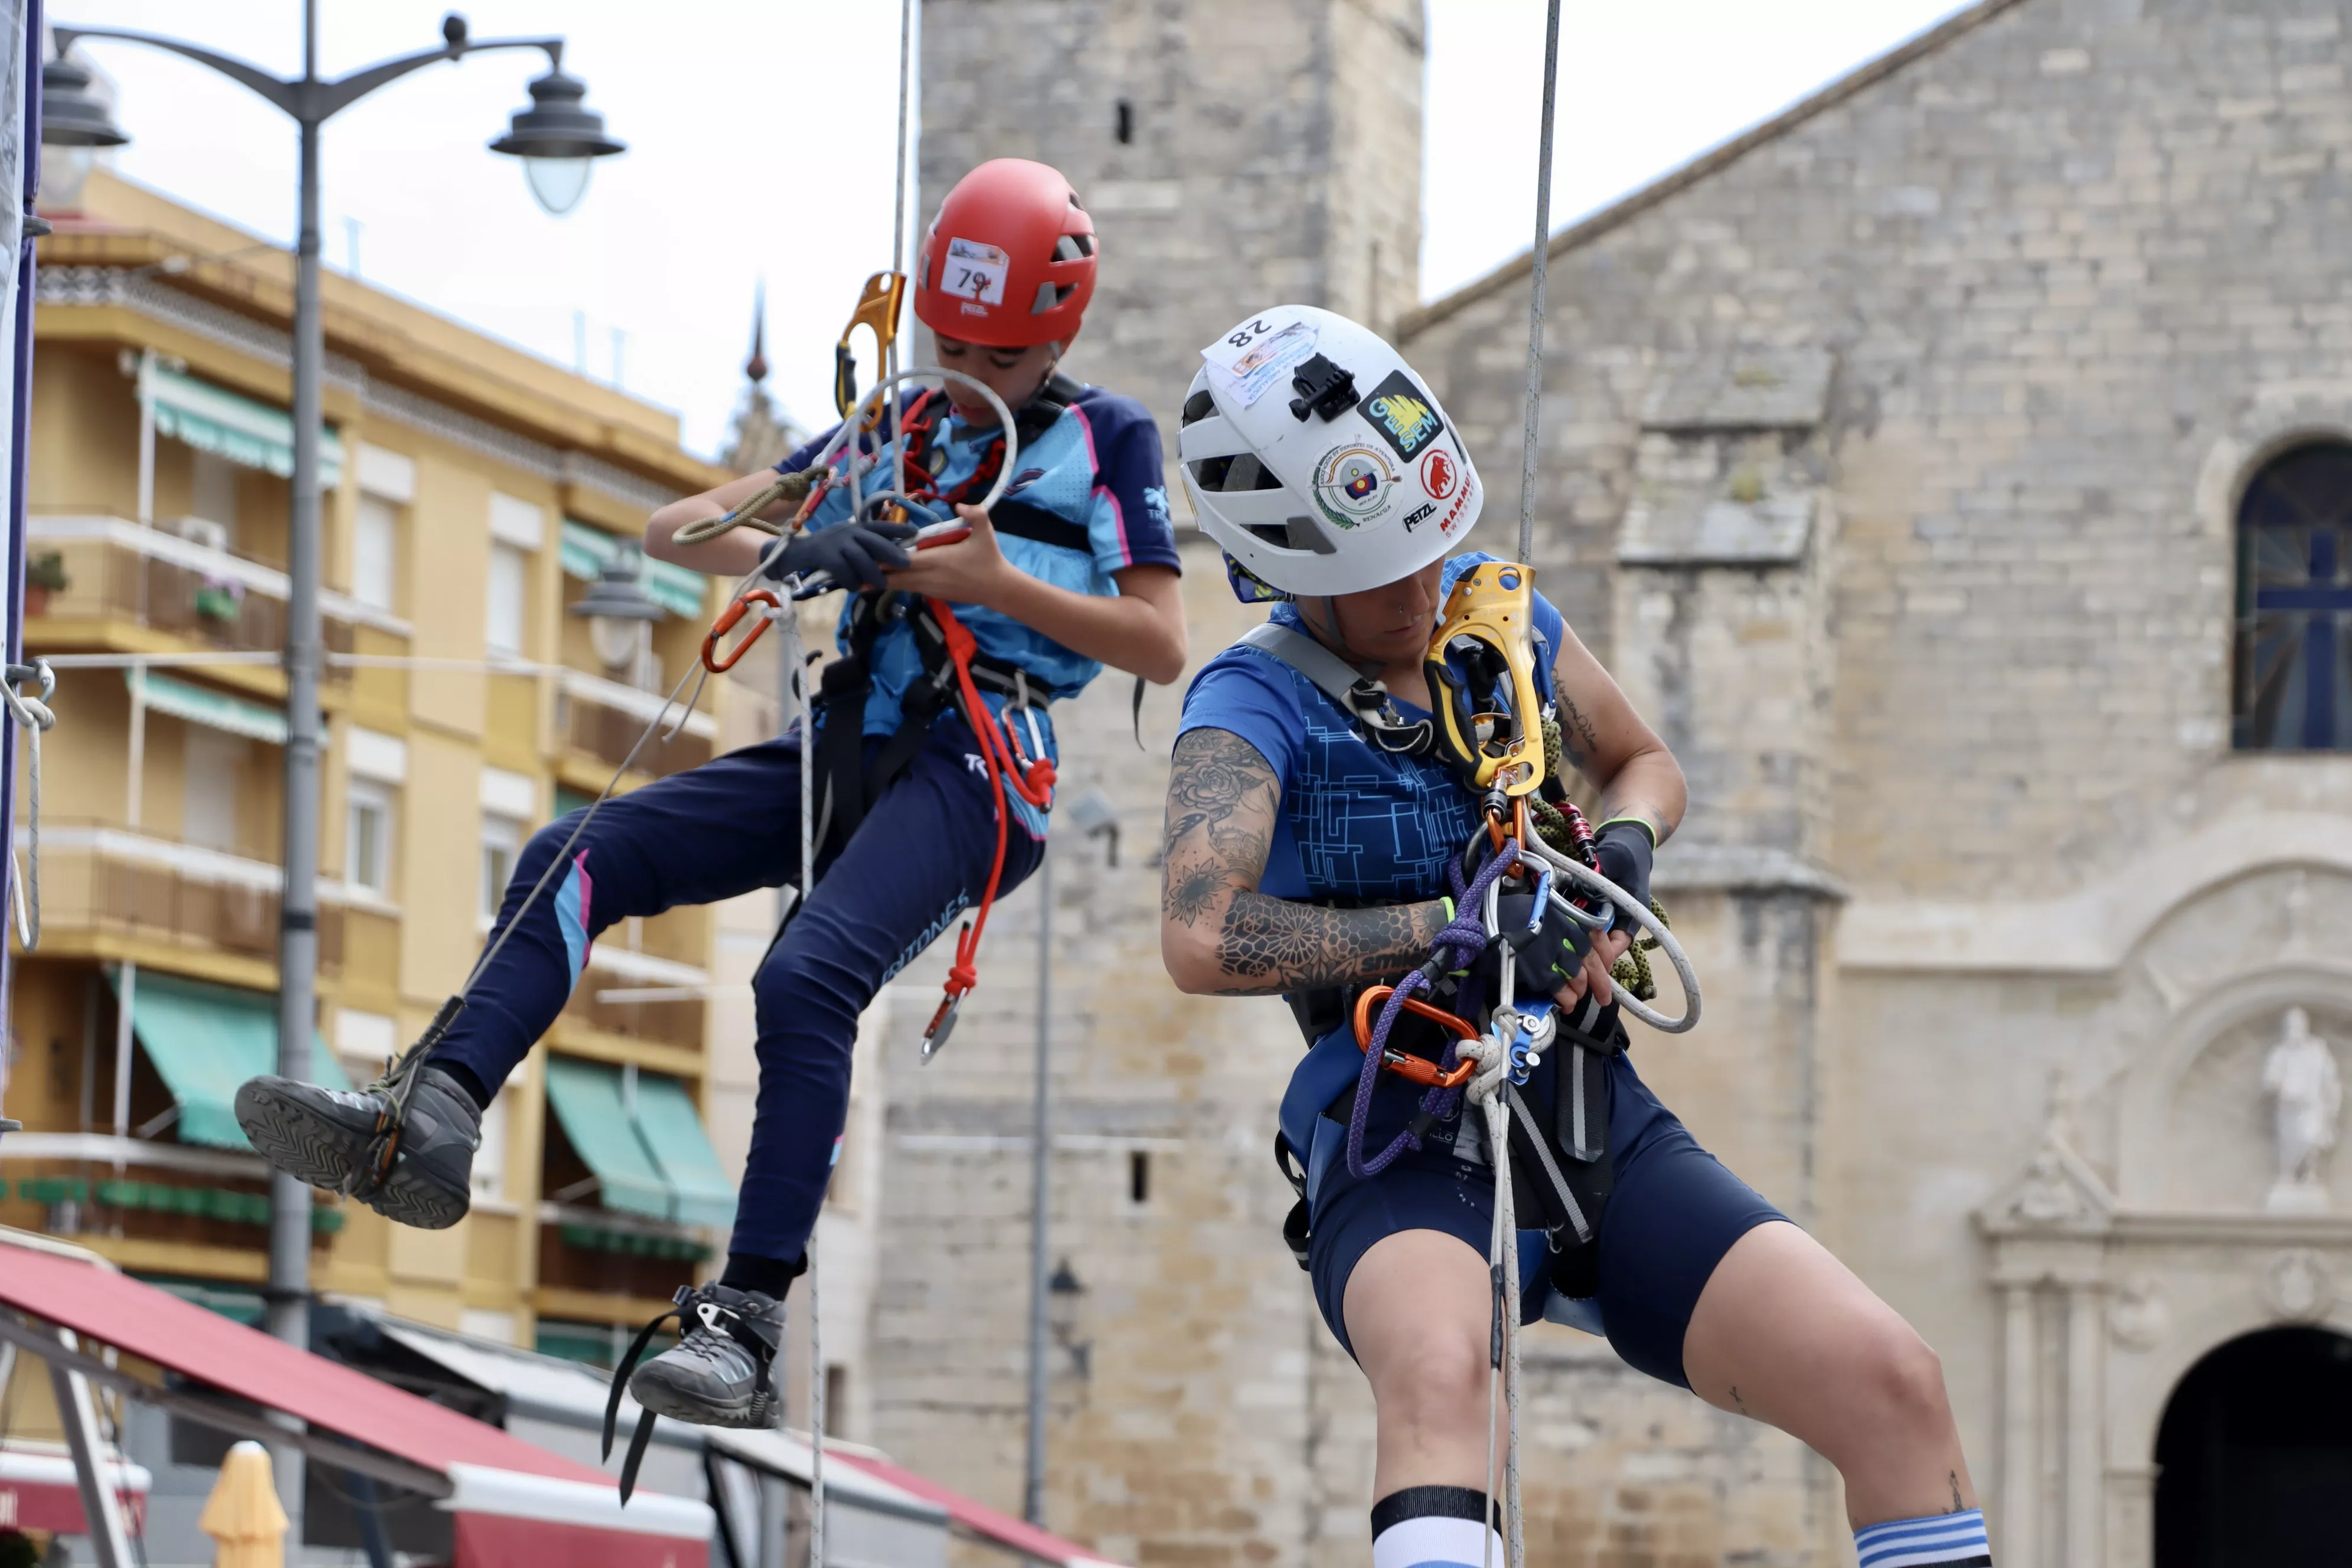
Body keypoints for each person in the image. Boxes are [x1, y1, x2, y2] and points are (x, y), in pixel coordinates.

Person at [237, 159, 1187, 1430]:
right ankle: (438, 1107)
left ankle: (747, 1318)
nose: (968, 368)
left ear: (1054, 338)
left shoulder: (1103, 440)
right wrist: (805, 544)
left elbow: (1157, 640)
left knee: (804, 978)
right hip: (842, 739)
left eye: (999, 356)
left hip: (979, 769)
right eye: (947, 341)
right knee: (581, 848)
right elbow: (676, 528)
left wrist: (998, 584)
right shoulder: (891, 427)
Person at [1160, 306, 1992, 1568]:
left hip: (1591, 1116)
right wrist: (1447, 928)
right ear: (1282, 570)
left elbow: (1642, 763)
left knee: (1894, 1380)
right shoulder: (1250, 703)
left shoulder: (1502, 627)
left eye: (1433, 546)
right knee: (1445, 1380)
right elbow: (1199, 931)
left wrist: (1618, 856)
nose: (1422, 587)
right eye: (1382, 573)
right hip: (1402, 1129)